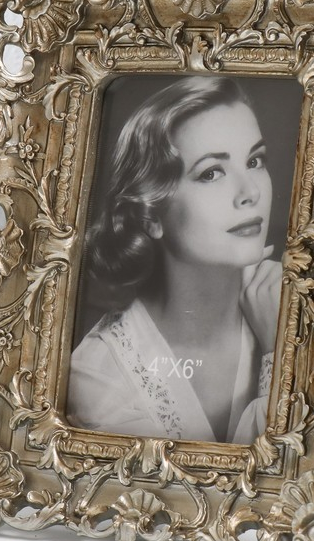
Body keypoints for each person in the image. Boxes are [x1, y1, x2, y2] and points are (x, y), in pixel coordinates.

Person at [66, 76, 282, 444]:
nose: (250, 192)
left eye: (255, 160)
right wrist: (278, 355)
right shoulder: (99, 377)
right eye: (211, 173)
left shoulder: (288, 307)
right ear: (151, 215)